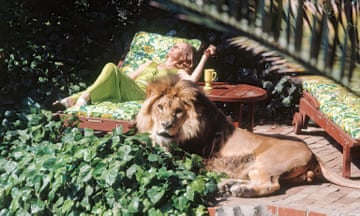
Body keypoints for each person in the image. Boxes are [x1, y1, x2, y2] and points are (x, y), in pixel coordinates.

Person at [52, 42, 216, 110]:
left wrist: (205, 57)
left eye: (177, 47)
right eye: (173, 45)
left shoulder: (178, 73)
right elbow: (129, 78)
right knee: (111, 68)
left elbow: (192, 80)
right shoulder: (150, 63)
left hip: (143, 94)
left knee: (110, 67)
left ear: (184, 56)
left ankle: (77, 99)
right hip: (130, 88)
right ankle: (76, 99)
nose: (172, 47)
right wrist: (113, 77)